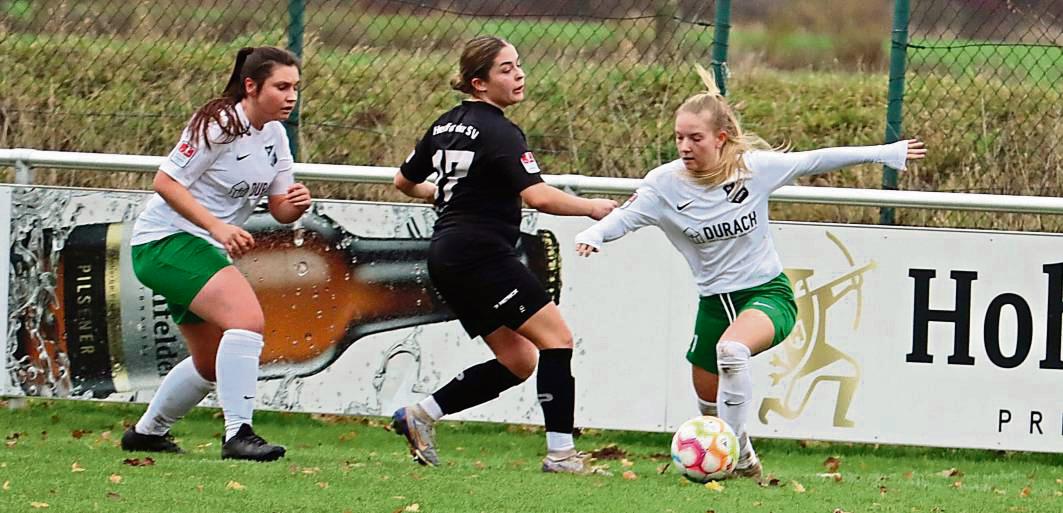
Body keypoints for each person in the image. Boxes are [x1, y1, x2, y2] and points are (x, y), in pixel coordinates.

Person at [574, 65, 927, 478]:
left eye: (695, 137)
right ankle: (735, 451)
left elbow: (813, 159)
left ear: (720, 139)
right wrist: (596, 234)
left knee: (733, 351)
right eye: (678, 137)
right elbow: (627, 217)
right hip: (713, 304)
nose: (684, 146)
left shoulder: (753, 169)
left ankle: (736, 458)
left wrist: (885, 152)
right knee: (707, 402)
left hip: (768, 295)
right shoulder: (664, 184)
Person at [391, 35, 618, 474]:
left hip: (447, 254)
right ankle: (561, 455)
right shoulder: (501, 131)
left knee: (518, 360)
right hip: (480, 255)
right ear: (479, 83)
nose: (519, 75)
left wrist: (438, 194)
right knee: (557, 341)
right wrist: (592, 207)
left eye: (518, 66)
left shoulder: (444, 124)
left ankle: (421, 415)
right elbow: (539, 197)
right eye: (506, 69)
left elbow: (403, 181)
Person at [120, 46, 311, 462]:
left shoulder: (276, 135)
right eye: (281, 86)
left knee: (209, 364)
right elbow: (165, 183)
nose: (291, 96)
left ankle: (147, 433)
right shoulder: (220, 123)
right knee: (246, 321)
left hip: (198, 248)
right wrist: (218, 227)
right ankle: (238, 434)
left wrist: (295, 204)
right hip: (163, 242)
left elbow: (279, 209)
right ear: (251, 86)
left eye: (296, 87)